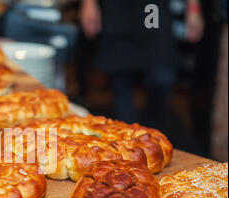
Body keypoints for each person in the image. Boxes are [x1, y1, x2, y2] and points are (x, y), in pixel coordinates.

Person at [79, 0, 204, 130]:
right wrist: (89, 3)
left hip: (154, 10)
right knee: (120, 82)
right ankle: (127, 138)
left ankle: (153, 136)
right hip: (118, 10)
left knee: (162, 76)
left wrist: (193, 8)